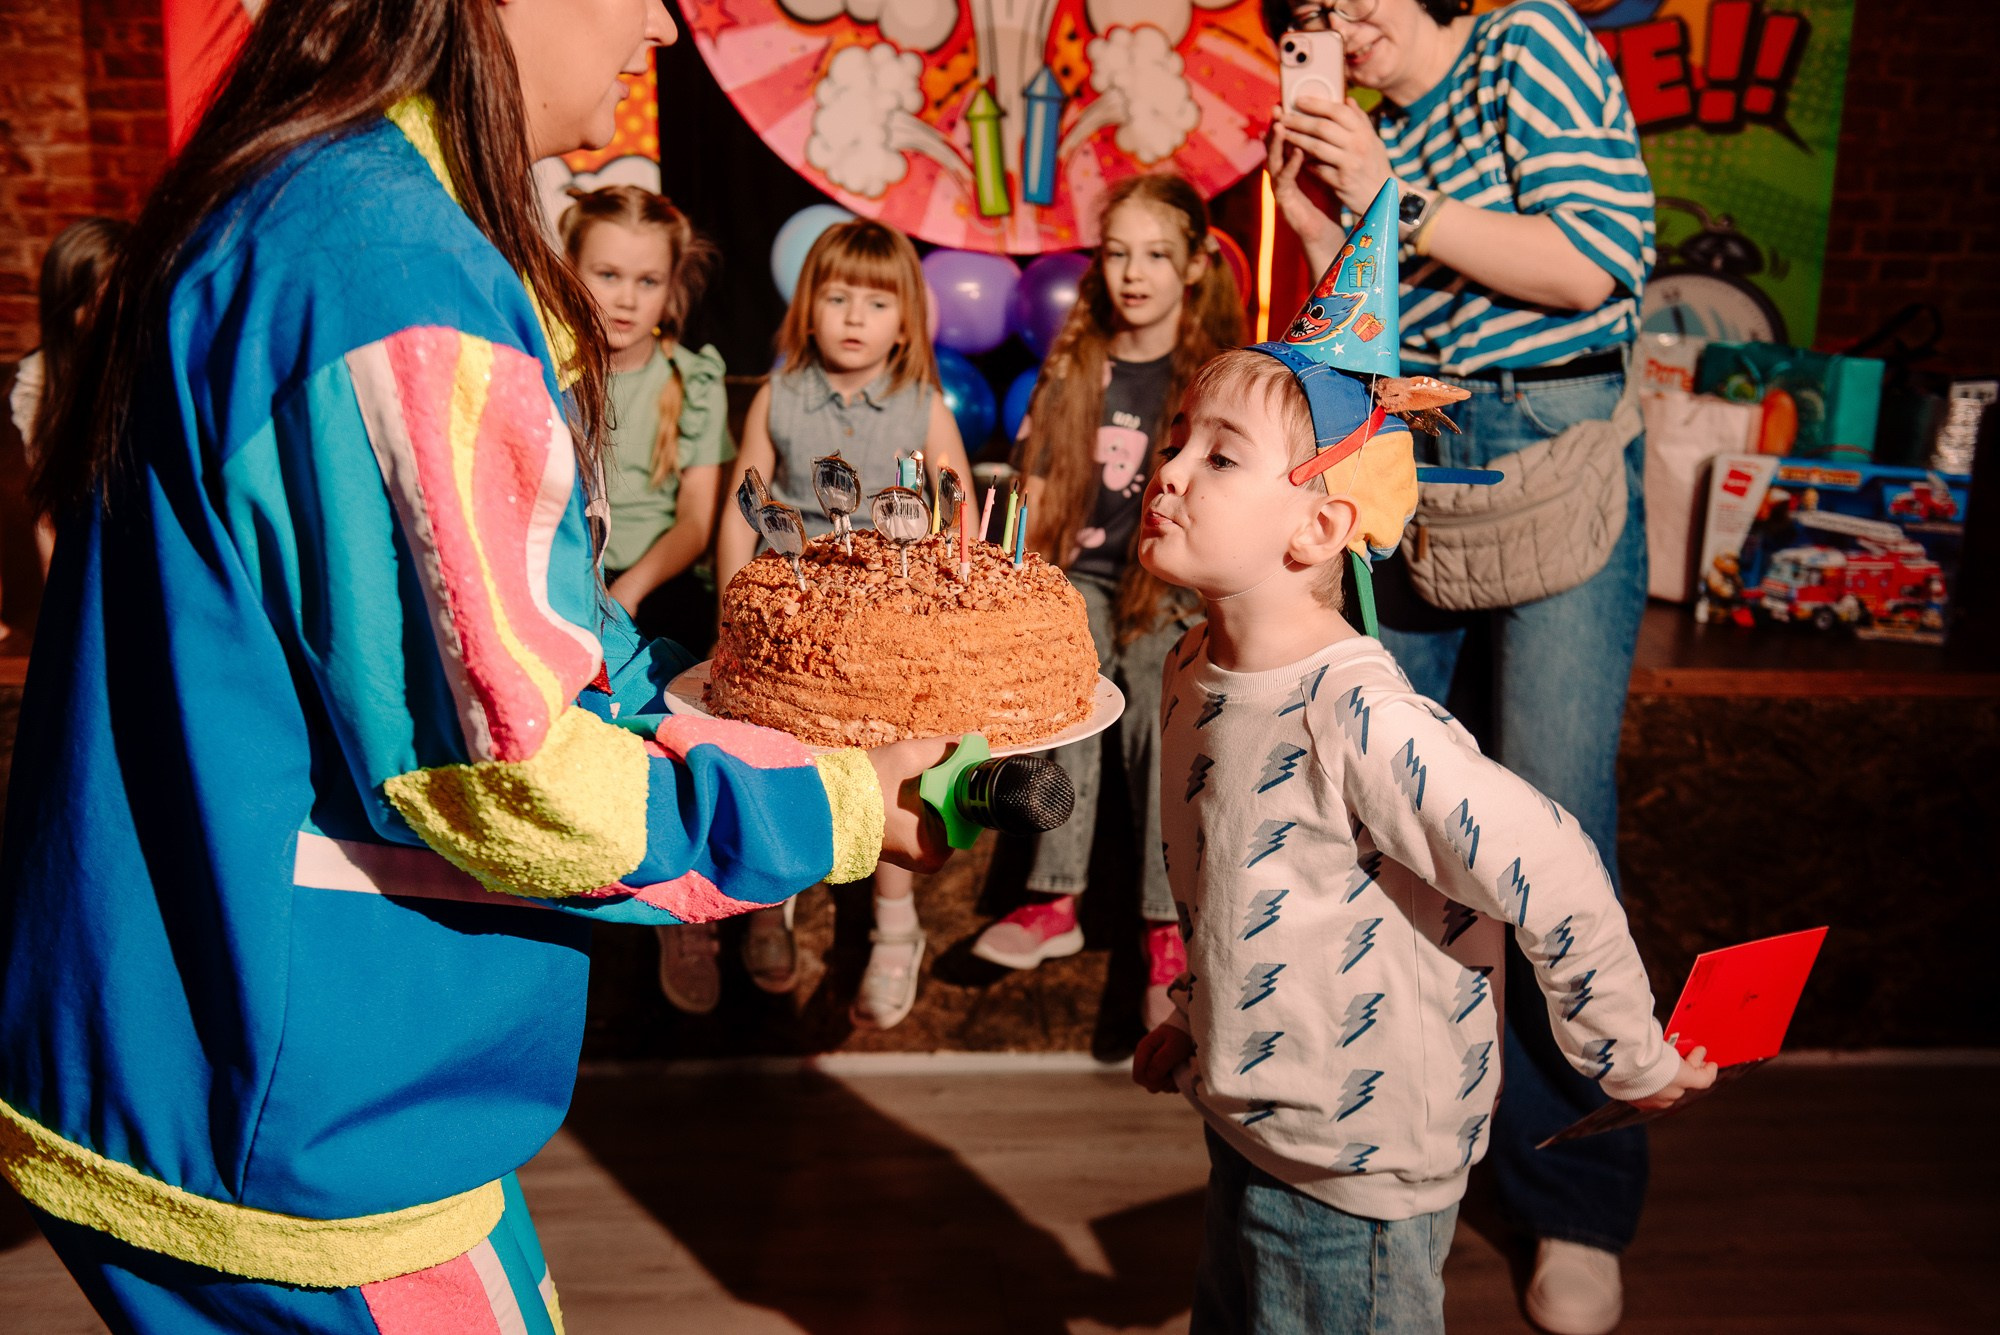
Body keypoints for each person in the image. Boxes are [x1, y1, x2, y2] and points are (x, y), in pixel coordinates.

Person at [0, 3, 950, 1331]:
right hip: (294, 1115)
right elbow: (509, 772)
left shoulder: (304, 198)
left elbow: (482, 642)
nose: (668, 33)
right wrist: (830, 803)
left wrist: (734, 712)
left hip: (201, 1040)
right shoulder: (388, 271)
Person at [1128, 313, 1712, 1332]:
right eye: (1176, 436)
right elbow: (1249, 889)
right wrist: (1198, 1019)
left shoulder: (1359, 717)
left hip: (1357, 1173)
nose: (1168, 469)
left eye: (1218, 456)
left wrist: (1626, 1054)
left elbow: (1555, 868)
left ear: (1314, 530)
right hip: (1251, 1126)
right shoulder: (1191, 667)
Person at [1262, 3, 1657, 1328]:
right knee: (1401, 827)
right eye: (1307, 14)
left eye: (1346, 0)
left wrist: (1397, 195)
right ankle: (1405, 1150)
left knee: (1547, 822)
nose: (1333, 23)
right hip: (1412, 468)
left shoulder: (1527, 41)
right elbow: (1355, 343)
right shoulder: (1371, 134)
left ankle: (1576, 1199)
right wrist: (1330, 233)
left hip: (1552, 460)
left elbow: (1597, 264)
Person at [972, 173, 1243, 1030]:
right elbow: (1040, 480)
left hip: (1168, 579)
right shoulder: (1078, 358)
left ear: (1194, 265)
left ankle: (1167, 927)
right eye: (1117, 253)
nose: (1133, 273)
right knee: (1073, 681)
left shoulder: (1211, 377)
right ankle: (1053, 900)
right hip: (1082, 579)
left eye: (1156, 255)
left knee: (1164, 711)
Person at [714, 216, 972, 1030]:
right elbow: (741, 506)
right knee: (773, 753)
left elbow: (953, 507)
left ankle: (896, 924)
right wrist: (734, 610)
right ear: (806, 305)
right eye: (836, 297)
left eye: (876, 302)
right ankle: (767, 901)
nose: (855, 318)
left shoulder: (923, 405)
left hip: (887, 627)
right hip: (791, 624)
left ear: (906, 321)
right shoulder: (778, 396)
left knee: (894, 759)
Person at [560, 184, 731, 656]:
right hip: (565, 578)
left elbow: (695, 524)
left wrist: (628, 592)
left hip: (655, 585)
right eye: (608, 275)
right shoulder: (550, 373)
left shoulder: (693, 380)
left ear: (673, 285)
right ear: (569, 271)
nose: (627, 299)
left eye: (648, 281)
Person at [9, 217, 131, 590]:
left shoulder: (145, 370)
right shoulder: (39, 385)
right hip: (85, 573)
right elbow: (45, 521)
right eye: (100, 303)